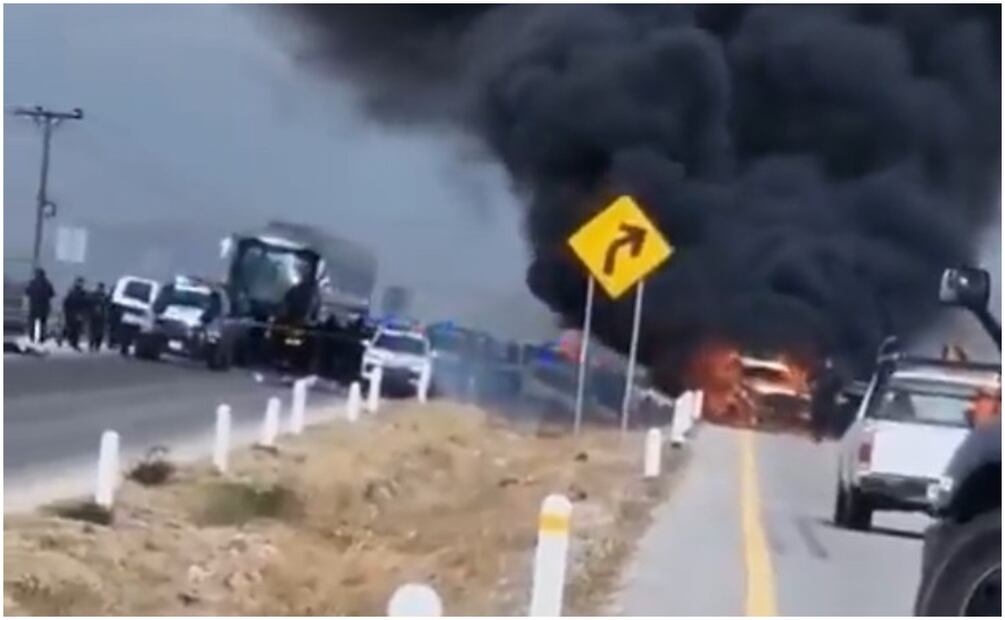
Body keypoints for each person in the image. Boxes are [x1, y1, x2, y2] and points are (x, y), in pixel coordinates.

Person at [25, 268, 55, 343]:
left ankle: (32, 337)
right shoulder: (47, 284)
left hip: (34, 306)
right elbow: (52, 294)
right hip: (43, 307)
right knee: (42, 323)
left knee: (33, 323)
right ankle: (41, 338)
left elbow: (27, 292)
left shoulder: (32, 283)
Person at [62, 277, 90, 351]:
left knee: (76, 328)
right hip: (73, 312)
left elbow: (86, 303)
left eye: (81, 282)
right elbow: (66, 302)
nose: (81, 284)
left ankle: (73, 342)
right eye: (79, 282)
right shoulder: (74, 292)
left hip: (78, 313)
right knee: (73, 328)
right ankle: (72, 342)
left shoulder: (82, 293)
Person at [88, 282, 110, 352]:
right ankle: (91, 345)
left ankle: (97, 346)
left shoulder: (105, 296)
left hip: (101, 317)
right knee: (93, 331)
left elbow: (108, 304)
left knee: (100, 332)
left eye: (101, 288)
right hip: (93, 316)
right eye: (100, 288)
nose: (100, 289)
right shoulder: (93, 295)